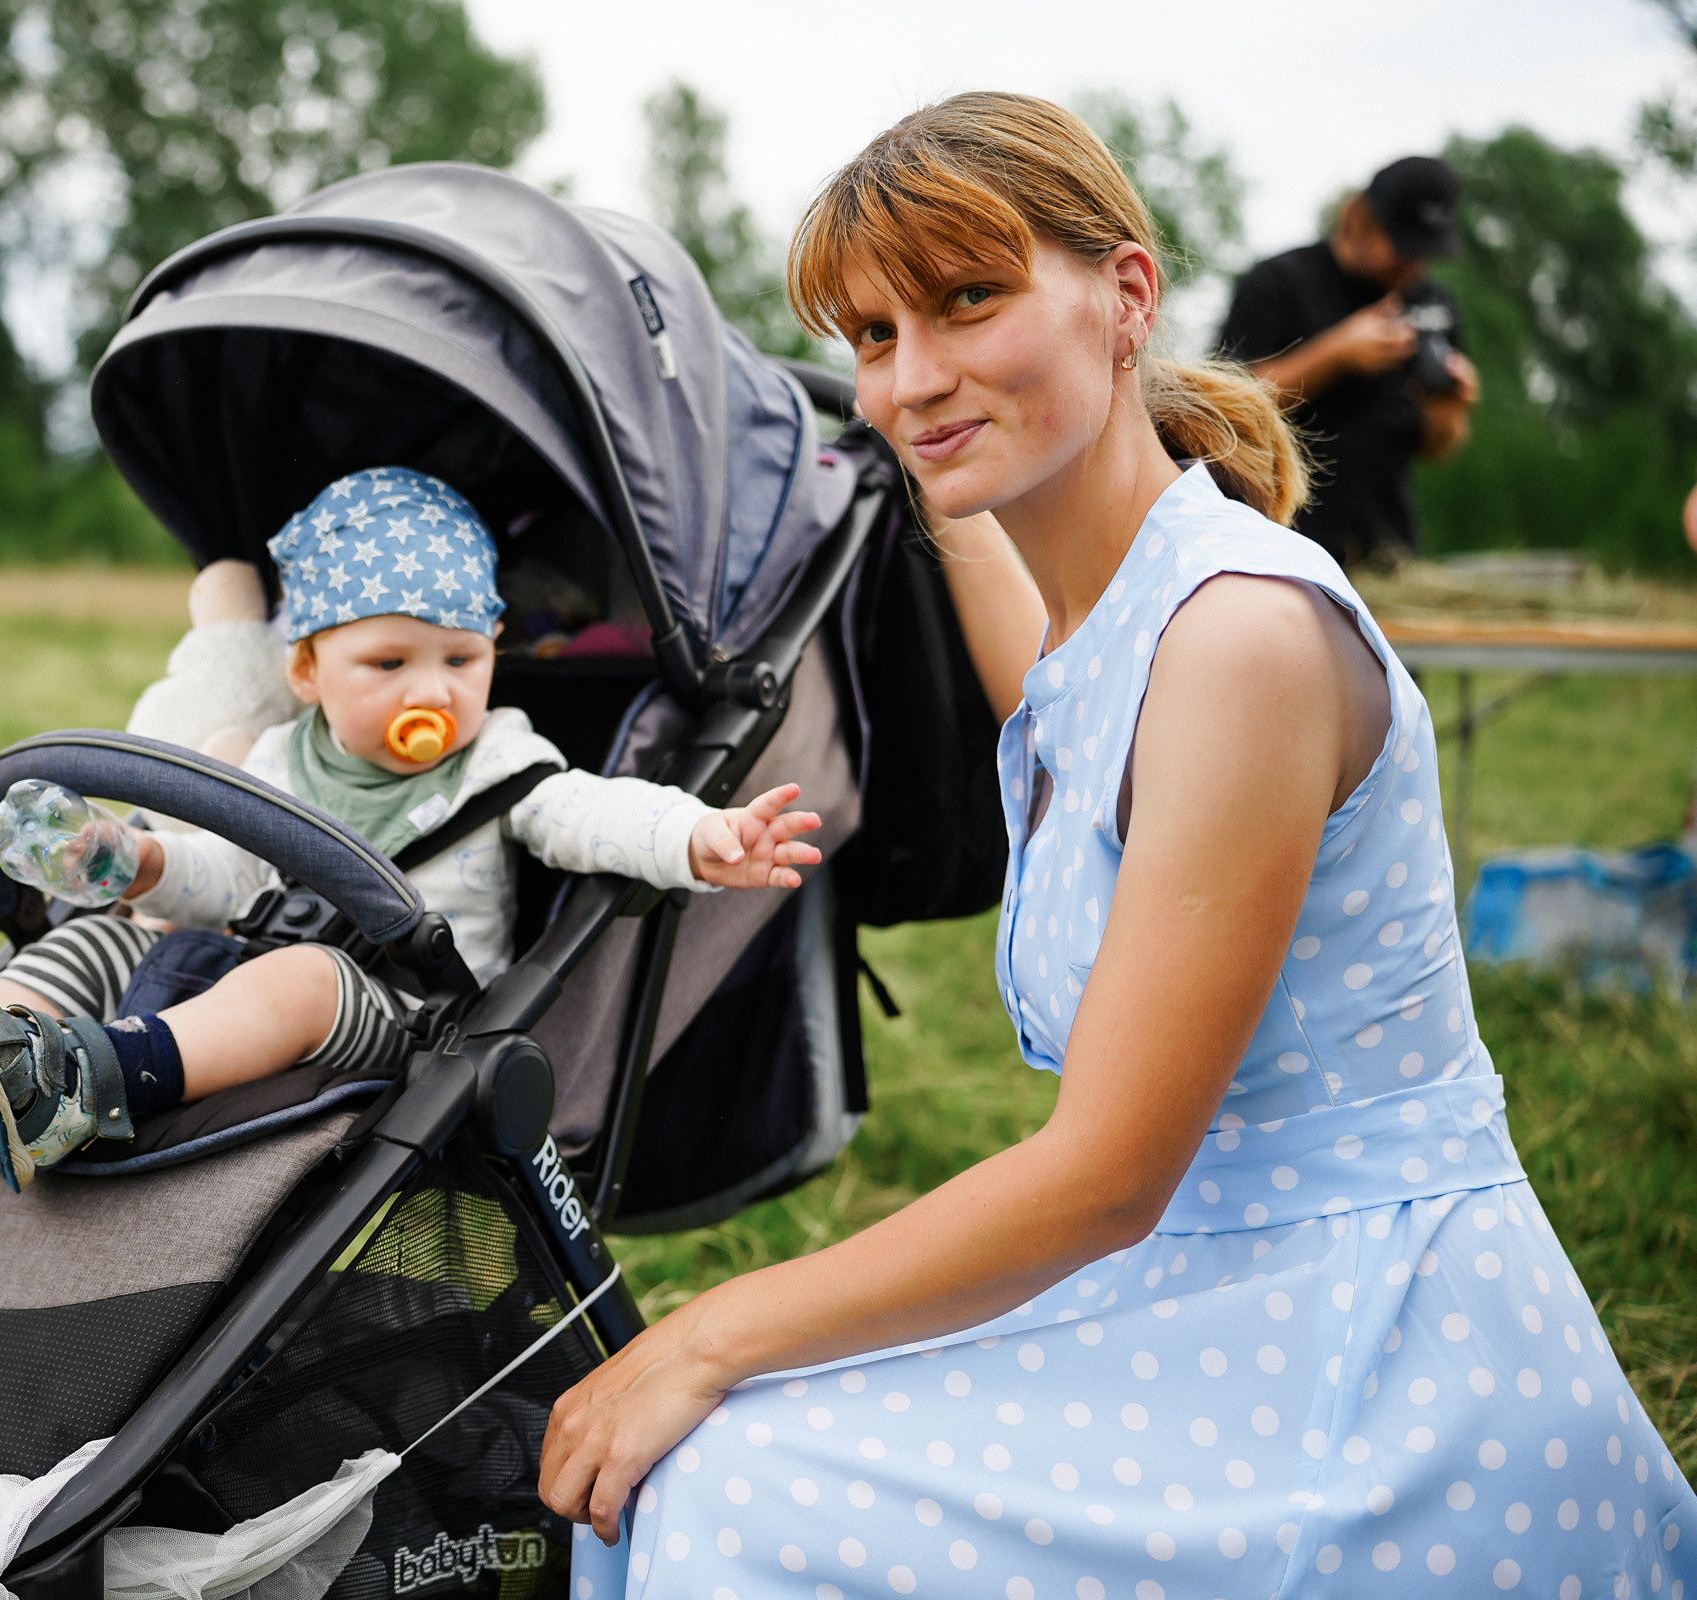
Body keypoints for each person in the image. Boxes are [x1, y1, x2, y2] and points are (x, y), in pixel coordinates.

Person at [544, 93, 1694, 1596]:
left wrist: (704, 1326)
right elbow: (1031, 635)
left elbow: (1106, 1177)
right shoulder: (1112, 625)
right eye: (874, 335)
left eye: (970, 299)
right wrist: (872, 441)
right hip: (1209, 1292)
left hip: (1371, 1356)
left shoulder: (1241, 640)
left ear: (1127, 294)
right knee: (684, 1467)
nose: (915, 374)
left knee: (719, 1470)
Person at [0, 466, 824, 1199]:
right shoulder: (273, 761)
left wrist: (695, 837)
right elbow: (224, 879)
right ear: (307, 671)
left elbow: (595, 809)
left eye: (462, 659)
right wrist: (134, 863)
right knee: (94, 934)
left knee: (302, 977)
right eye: (390, 664)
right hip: (237, 959)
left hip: (400, 1016)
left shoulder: (499, 761)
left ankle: (87, 1082)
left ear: (495, 651)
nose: (436, 691)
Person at [1216, 156, 1481, 570]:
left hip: (1388, 552)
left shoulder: (1432, 302)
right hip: (1282, 545)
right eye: (1402, 244)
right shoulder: (1277, 282)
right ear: (1357, 218)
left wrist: (1448, 414)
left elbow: (1437, 449)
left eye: (1425, 250)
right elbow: (1226, 407)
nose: (1414, 264)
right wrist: (1336, 354)